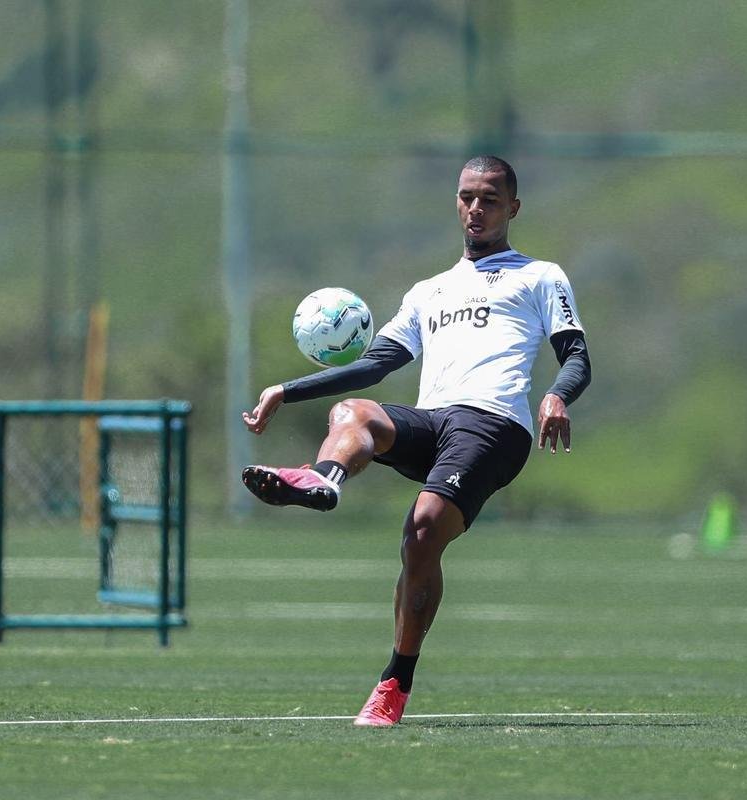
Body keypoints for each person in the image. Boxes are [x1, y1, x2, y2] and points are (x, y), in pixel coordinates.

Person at [241, 155, 591, 726]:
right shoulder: (429, 291)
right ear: (456, 202)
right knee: (353, 411)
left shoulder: (540, 276)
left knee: (422, 531)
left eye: (490, 199)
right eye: (467, 197)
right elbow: (374, 365)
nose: (476, 208)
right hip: (435, 423)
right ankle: (323, 480)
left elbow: (576, 356)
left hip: (495, 425)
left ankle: (394, 683)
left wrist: (557, 395)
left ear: (513, 208)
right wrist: (287, 389)